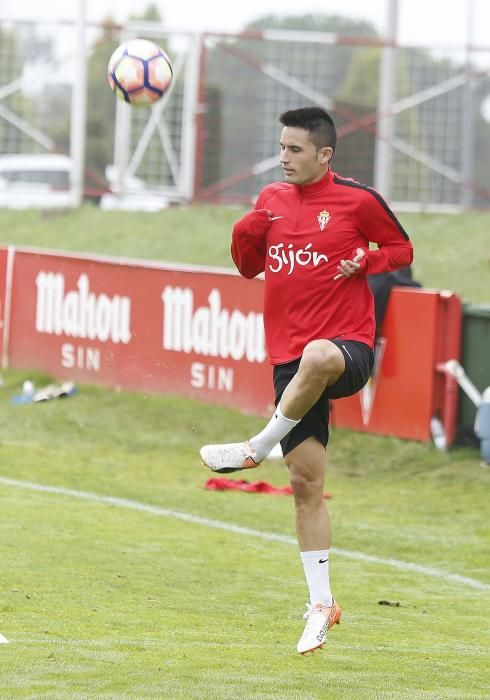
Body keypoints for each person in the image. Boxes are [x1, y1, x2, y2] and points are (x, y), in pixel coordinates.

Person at [199, 107, 413, 654]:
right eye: (282, 147)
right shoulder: (271, 200)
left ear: (325, 154)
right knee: (304, 484)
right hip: (288, 362)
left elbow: (402, 250)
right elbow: (250, 266)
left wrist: (364, 261)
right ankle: (322, 604)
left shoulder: (358, 200)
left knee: (319, 355)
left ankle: (256, 446)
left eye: (295, 149)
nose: (284, 157)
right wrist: (245, 229)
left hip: (347, 348)